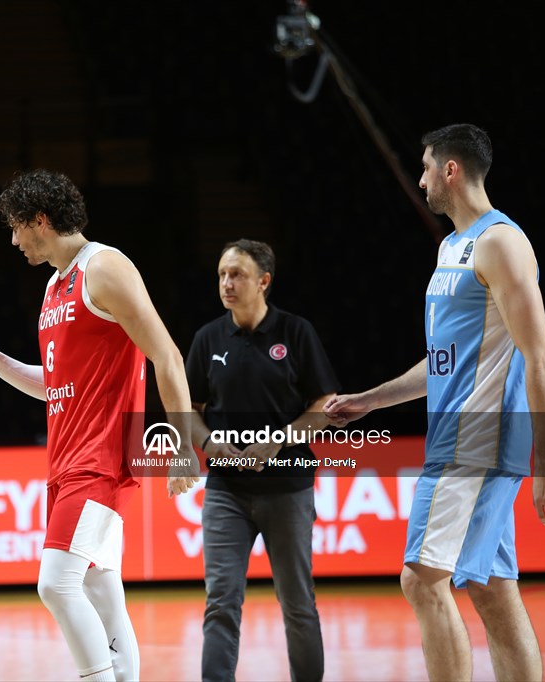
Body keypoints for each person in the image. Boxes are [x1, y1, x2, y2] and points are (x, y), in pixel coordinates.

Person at [0, 168, 200, 682]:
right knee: (100, 593)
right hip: (66, 462)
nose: (14, 240)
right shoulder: (54, 286)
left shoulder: (104, 268)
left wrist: (183, 446)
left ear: (41, 220)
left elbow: (167, 356)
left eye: (17, 227)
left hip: (100, 459)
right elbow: (57, 384)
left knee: (56, 584)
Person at [325, 123, 545, 682]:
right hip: (460, 434)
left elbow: (542, 357)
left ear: (451, 170)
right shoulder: (453, 247)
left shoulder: (502, 242)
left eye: (426, 166)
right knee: (491, 586)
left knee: (420, 578)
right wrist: (372, 401)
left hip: (476, 439)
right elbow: (447, 362)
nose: (421, 176)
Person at [184, 239, 338, 682]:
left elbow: (324, 402)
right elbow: (189, 409)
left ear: (264, 282)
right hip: (226, 493)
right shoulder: (208, 338)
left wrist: (278, 442)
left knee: (297, 603)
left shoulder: (295, 333)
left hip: (288, 490)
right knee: (221, 603)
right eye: (221, 275)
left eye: (237, 275)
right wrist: (210, 446)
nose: (226, 284)